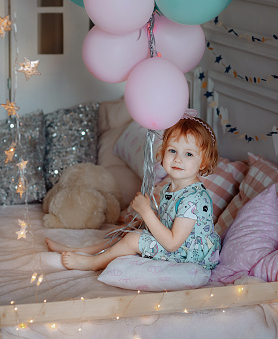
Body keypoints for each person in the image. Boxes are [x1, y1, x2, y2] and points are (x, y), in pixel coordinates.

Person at [45, 111, 221, 271]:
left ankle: (93, 263)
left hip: (190, 256)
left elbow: (173, 244)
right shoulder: (172, 187)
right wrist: (146, 218)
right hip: (177, 245)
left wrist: (146, 212)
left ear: (204, 162)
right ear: (163, 152)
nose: (177, 159)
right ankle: (80, 250)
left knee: (133, 239)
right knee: (128, 230)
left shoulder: (194, 198)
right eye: (172, 150)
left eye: (188, 154)